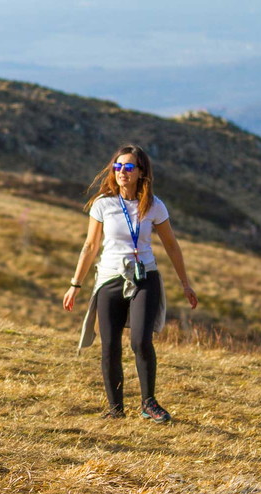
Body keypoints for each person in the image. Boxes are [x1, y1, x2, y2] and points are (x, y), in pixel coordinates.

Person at [63, 144, 198, 423]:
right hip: (110, 277)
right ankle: (115, 409)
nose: (122, 172)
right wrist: (75, 284)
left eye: (129, 167)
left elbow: (171, 246)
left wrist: (185, 283)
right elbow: (90, 246)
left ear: (141, 172)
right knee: (110, 344)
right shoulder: (103, 204)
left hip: (145, 277)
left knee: (140, 341)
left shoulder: (154, 205)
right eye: (118, 166)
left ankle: (149, 403)